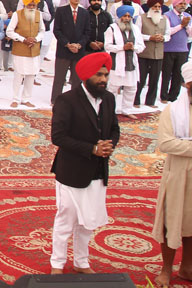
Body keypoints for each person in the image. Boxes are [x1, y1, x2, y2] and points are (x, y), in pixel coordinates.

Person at [50, 51, 119, 275]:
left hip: (97, 170)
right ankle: (57, 264)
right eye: (99, 75)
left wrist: (109, 145)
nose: (103, 80)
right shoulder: (67, 100)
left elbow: (114, 129)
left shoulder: (108, 99)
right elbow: (58, 137)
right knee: (66, 219)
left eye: (106, 75)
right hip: (72, 170)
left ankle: (81, 262)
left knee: (88, 220)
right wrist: (91, 149)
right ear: (87, 75)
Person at [152, 60, 192, 288]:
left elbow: (178, 143)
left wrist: (185, 144)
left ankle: (187, 267)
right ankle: (166, 269)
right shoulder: (173, 111)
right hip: (177, 174)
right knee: (171, 220)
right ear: (189, 85)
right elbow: (166, 144)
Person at [104, 4, 145, 117]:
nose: (127, 18)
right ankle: (110, 111)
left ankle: (127, 110)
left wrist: (133, 47)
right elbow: (107, 46)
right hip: (117, 64)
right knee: (113, 88)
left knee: (131, 88)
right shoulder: (112, 28)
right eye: (125, 16)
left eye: (129, 16)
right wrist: (122, 47)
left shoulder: (135, 29)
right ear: (120, 17)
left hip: (131, 64)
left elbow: (141, 46)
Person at [51, 0, 90, 105]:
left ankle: (75, 101)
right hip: (64, 49)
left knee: (77, 79)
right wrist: (67, 44)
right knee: (59, 77)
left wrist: (79, 44)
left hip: (79, 51)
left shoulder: (84, 13)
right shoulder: (61, 11)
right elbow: (57, 30)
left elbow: (87, 32)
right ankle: (55, 99)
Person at [7, 0, 45, 108]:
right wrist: (23, 39)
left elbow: (42, 31)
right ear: (25, 4)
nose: (32, 7)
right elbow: (9, 31)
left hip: (34, 49)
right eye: (30, 5)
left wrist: (36, 39)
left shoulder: (39, 14)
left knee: (31, 75)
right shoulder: (17, 14)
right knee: (19, 74)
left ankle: (26, 99)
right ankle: (15, 99)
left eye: (34, 5)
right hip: (20, 49)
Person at [137, 0, 169, 108]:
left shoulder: (164, 19)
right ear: (150, 7)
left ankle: (150, 102)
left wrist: (162, 38)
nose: (157, 9)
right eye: (155, 6)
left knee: (154, 79)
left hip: (158, 54)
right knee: (140, 79)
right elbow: (137, 34)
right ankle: (136, 101)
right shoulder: (142, 18)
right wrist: (150, 38)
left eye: (159, 7)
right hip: (144, 54)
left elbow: (168, 34)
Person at [161, 0, 192, 103]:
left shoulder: (187, 16)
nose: (183, 5)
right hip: (169, 49)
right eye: (180, 3)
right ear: (175, 5)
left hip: (183, 49)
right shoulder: (167, 15)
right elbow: (168, 32)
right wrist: (181, 26)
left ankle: (173, 96)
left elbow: (190, 34)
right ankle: (164, 96)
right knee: (166, 74)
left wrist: (186, 25)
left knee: (178, 74)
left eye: (184, 4)